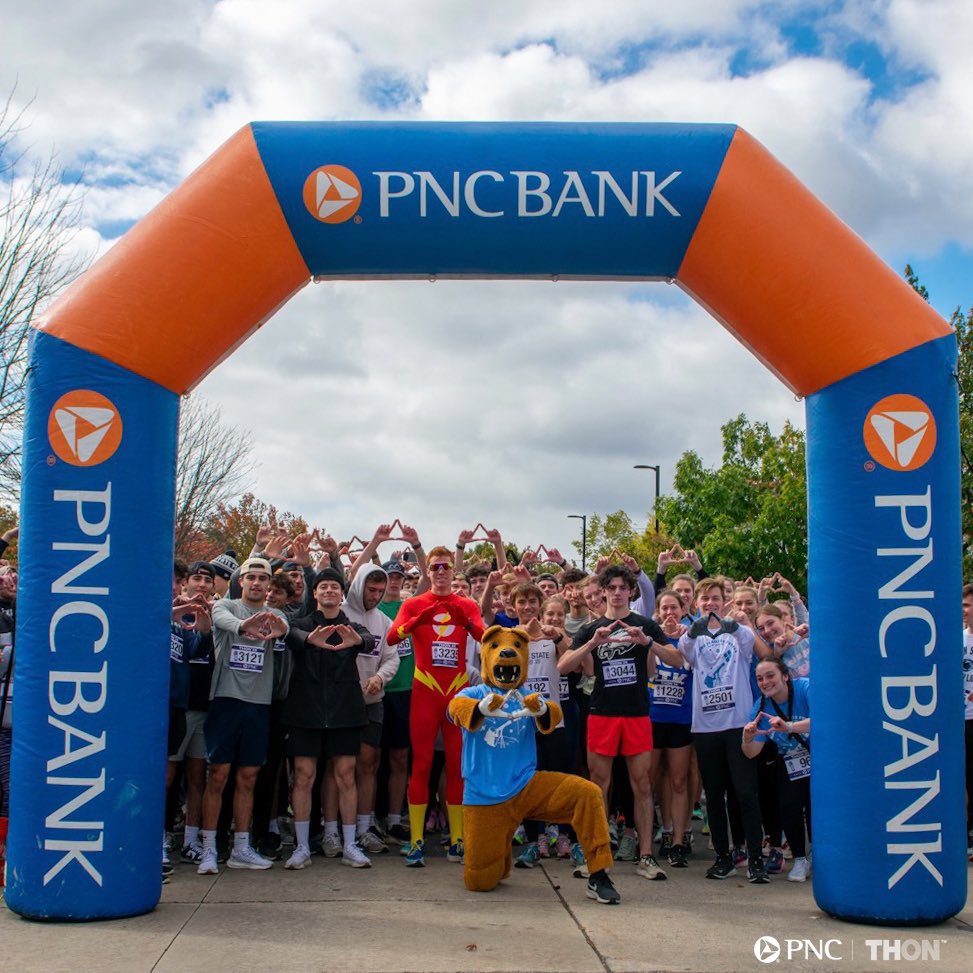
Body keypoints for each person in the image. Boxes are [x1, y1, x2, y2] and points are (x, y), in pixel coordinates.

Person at [558, 565, 673, 881]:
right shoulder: (592, 628)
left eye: (624, 587)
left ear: (631, 592)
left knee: (642, 785)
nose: (618, 592)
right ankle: (597, 855)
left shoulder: (645, 625)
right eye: (612, 587)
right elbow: (563, 666)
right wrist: (593, 643)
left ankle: (646, 856)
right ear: (605, 591)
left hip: (636, 714)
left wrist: (647, 643)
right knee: (598, 786)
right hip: (602, 713)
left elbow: (677, 659)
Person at [386, 546, 485, 867]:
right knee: (422, 764)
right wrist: (418, 620)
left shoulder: (466, 604)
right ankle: (416, 841)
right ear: (428, 571)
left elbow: (486, 637)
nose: (441, 572)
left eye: (446, 567)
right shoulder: (414, 603)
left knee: (457, 766)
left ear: (453, 571)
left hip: (457, 691)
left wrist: (468, 624)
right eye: (436, 567)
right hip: (426, 689)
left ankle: (458, 840)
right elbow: (391, 638)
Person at [197, 557, 289, 875]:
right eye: (252, 577)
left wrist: (275, 627)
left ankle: (241, 847)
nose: (257, 583)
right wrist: (244, 626)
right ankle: (208, 848)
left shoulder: (273, 613)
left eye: (263, 579)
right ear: (242, 580)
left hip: (259, 704)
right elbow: (218, 617)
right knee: (218, 774)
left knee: (248, 777)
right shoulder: (228, 606)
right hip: (226, 700)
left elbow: (283, 628)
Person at [676, 579, 771, 883]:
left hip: (738, 725)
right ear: (697, 604)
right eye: (705, 599)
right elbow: (685, 651)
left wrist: (739, 623)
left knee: (745, 793)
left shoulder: (737, 632)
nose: (711, 604)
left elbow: (763, 652)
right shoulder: (690, 636)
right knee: (714, 796)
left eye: (716, 599)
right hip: (705, 728)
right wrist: (696, 627)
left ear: (724, 601)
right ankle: (722, 857)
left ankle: (755, 859)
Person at [281, 567, 375, 870]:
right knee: (304, 775)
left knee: (346, 774)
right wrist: (310, 639)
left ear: (341, 593)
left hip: (344, 709)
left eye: (335, 586)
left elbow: (369, 640)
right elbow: (290, 636)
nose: (330, 591)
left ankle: (350, 845)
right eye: (324, 587)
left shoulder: (351, 626)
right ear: (315, 593)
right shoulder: (302, 623)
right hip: (305, 709)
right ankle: (303, 847)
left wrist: (356, 643)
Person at [342, 564, 400, 854]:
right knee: (339, 768)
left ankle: (364, 828)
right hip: (340, 703)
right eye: (371, 589)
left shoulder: (383, 621)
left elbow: (392, 658)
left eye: (380, 591)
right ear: (359, 585)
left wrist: (380, 677)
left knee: (367, 764)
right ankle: (336, 828)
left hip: (372, 701)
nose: (375, 596)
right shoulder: (341, 613)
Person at [742, 658, 811, 882]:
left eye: (770, 675)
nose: (765, 682)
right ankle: (800, 858)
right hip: (789, 761)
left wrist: (789, 726)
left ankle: (820, 856)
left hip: (820, 758)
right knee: (789, 807)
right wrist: (747, 737)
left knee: (816, 810)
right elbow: (751, 753)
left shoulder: (805, 688)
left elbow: (825, 719)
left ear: (785, 676)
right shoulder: (761, 707)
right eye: (760, 678)